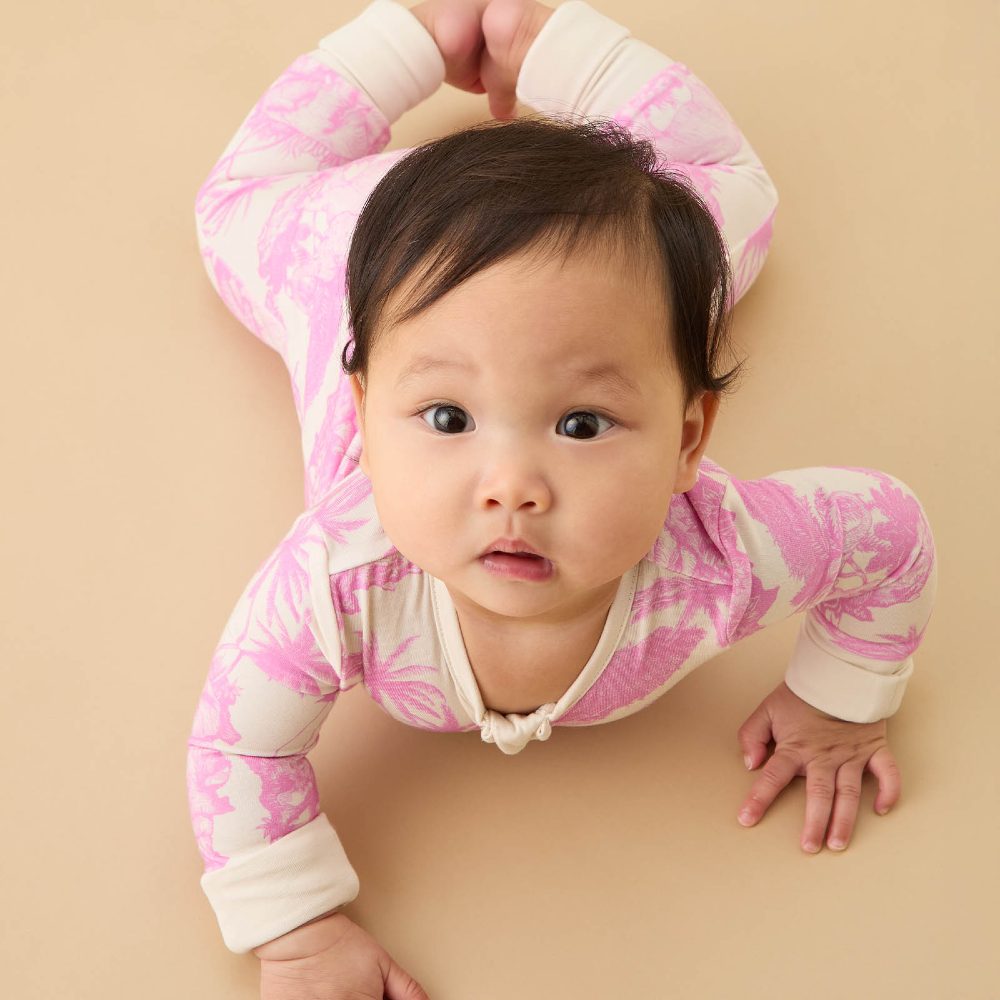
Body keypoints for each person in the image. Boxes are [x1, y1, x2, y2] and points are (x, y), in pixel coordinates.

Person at [185, 0, 938, 996]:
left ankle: (540, 44)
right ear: (364, 413)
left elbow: (888, 534)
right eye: (446, 420)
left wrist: (840, 699)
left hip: (613, 261)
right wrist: (299, 929)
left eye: (580, 425)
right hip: (359, 243)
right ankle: (443, 29)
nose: (511, 490)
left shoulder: (721, 555)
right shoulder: (335, 581)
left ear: (686, 438)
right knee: (237, 203)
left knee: (731, 201)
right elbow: (238, 741)